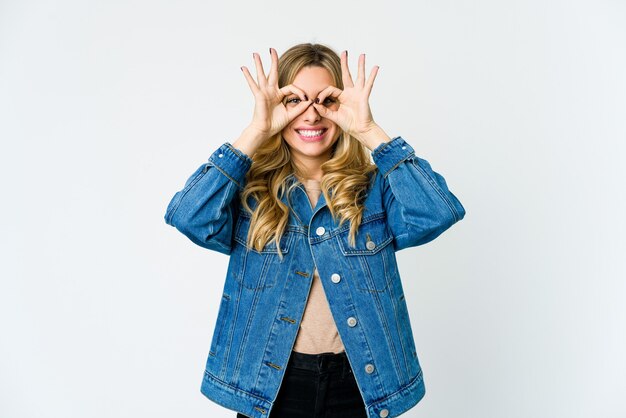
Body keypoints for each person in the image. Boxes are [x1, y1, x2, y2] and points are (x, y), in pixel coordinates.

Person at [164, 43, 466, 418]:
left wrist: (370, 131)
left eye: (326, 101)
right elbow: (188, 216)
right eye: (294, 101)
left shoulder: (376, 188)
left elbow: (438, 212)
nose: (312, 115)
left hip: (360, 387)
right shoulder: (249, 190)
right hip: (271, 387)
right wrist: (256, 130)